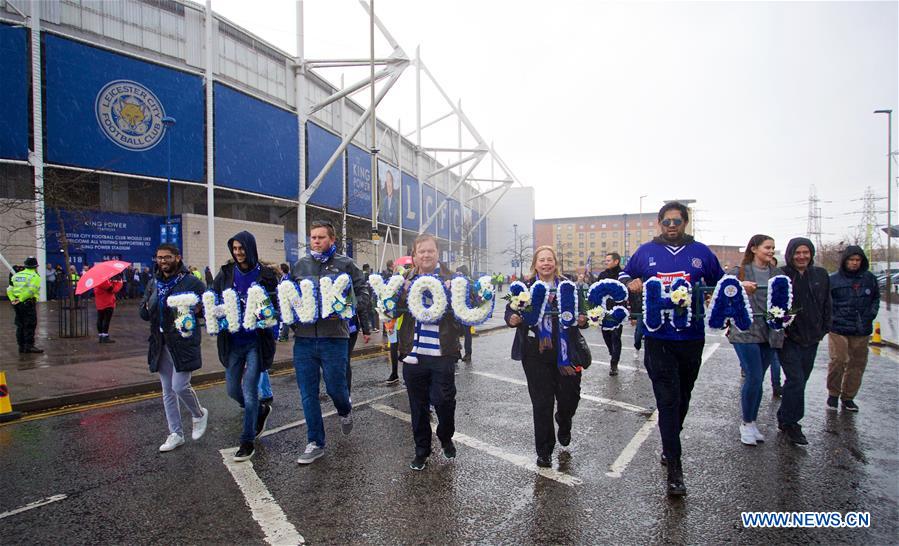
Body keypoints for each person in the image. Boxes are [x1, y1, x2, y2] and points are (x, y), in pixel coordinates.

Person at [619, 202, 724, 496]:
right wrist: (633, 281)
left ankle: (670, 440)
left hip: (691, 337)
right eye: (666, 221)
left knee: (683, 397)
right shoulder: (645, 252)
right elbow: (623, 276)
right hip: (658, 337)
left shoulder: (701, 253)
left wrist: (724, 292)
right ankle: (675, 469)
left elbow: (720, 282)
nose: (671, 225)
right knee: (667, 399)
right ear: (659, 223)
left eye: (677, 220)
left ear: (686, 222)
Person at [292, 220, 371, 465]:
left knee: (336, 388)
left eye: (321, 237)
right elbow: (289, 295)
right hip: (304, 339)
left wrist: (350, 307)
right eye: (313, 237)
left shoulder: (346, 265)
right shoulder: (300, 266)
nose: (316, 241)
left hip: (334, 337)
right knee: (308, 393)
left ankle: (345, 410)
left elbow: (364, 291)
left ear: (332, 240)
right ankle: (315, 442)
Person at [506, 245, 589, 468]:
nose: (545, 263)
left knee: (569, 397)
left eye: (549, 259)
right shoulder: (525, 288)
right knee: (541, 402)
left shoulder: (569, 287)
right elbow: (510, 309)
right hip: (535, 352)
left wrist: (583, 319)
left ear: (555, 263)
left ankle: (564, 420)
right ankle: (544, 450)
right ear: (535, 264)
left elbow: (584, 312)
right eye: (541, 260)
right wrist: (512, 317)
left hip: (566, 351)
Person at [397, 234, 465, 471]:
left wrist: (454, 293)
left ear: (437, 253)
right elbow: (393, 311)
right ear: (414, 255)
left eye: (430, 251)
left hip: (442, 352)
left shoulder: (453, 279)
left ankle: (445, 436)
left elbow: (466, 311)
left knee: (444, 400)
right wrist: (400, 293)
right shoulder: (403, 279)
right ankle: (421, 451)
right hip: (413, 353)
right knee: (418, 405)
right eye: (421, 251)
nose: (425, 255)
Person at [213, 232, 279, 461]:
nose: (238, 252)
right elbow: (213, 296)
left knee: (250, 392)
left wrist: (267, 315)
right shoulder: (226, 273)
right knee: (232, 390)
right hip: (233, 341)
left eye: (242, 248)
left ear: (250, 248)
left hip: (255, 342)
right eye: (235, 248)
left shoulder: (267, 275)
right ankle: (261, 411)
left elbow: (276, 306)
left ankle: (247, 441)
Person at [139, 243, 209, 452]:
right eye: (159, 257)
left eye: (167, 257)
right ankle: (175, 433)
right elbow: (143, 314)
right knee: (167, 391)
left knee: (180, 386)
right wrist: (150, 301)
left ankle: (199, 414)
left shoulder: (192, 282)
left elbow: (207, 307)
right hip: (160, 343)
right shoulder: (153, 283)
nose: (163, 261)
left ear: (177, 258)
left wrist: (197, 310)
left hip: (183, 342)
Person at [727, 234, 781, 446]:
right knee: (754, 376)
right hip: (745, 331)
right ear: (754, 248)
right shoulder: (738, 272)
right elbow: (724, 294)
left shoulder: (777, 273)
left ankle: (752, 422)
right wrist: (740, 287)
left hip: (770, 332)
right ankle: (747, 422)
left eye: (773, 248)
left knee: (759, 379)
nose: (770, 251)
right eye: (767, 247)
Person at [776, 237, 831, 445]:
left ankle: (784, 415)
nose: (802, 256)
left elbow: (827, 302)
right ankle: (792, 423)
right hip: (788, 338)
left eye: (805, 252)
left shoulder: (820, 275)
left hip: (812, 337)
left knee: (800, 381)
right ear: (790, 254)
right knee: (796, 379)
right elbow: (774, 304)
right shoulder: (782, 275)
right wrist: (781, 328)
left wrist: (825, 327)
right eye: (797, 253)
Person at [826, 245, 879, 412]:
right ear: (845, 261)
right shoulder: (833, 280)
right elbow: (826, 302)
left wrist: (870, 314)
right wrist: (831, 319)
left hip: (861, 328)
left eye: (858, 260)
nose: (854, 263)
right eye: (851, 260)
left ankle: (848, 397)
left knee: (857, 365)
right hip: (838, 328)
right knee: (838, 360)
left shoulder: (869, 279)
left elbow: (875, 299)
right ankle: (833, 394)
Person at [8, 257, 43, 354]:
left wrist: (13, 300)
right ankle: (29, 346)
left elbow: (9, 290)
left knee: (20, 325)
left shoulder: (16, 275)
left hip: (16, 304)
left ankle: (21, 346)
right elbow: (31, 291)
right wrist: (21, 299)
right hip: (27, 303)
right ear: (35, 266)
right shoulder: (35, 276)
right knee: (30, 324)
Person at [598, 252, 624, 376]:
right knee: (606, 336)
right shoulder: (602, 275)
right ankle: (612, 352)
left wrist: (634, 314)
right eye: (606, 260)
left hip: (618, 311)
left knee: (616, 336)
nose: (606, 262)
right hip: (604, 311)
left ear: (616, 261)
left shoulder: (622, 275)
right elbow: (596, 292)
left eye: (608, 260)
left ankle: (614, 363)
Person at [94, 275, 124, 343]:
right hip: (108, 303)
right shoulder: (105, 282)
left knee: (100, 319)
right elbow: (113, 289)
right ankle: (105, 336)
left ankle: (101, 336)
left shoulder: (97, 282)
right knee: (106, 320)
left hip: (99, 303)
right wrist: (120, 283)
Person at [456, 264, 474, 363]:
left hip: (466, 311)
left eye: (458, 272)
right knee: (457, 333)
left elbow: (473, 296)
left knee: (466, 334)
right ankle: (459, 352)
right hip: (459, 311)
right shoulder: (467, 281)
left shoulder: (469, 282)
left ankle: (466, 353)